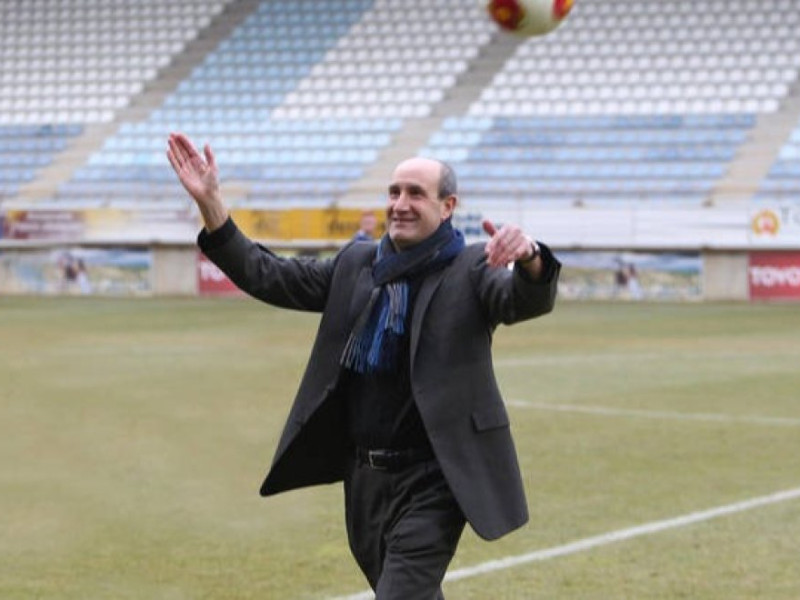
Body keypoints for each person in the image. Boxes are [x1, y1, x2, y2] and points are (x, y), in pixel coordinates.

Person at [167, 132, 561, 599]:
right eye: (394, 192)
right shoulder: (357, 264)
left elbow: (521, 298)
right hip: (365, 480)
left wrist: (531, 257)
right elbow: (266, 274)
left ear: (448, 205)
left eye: (416, 193)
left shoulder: (473, 268)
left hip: (435, 479)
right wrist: (212, 204)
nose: (400, 203)